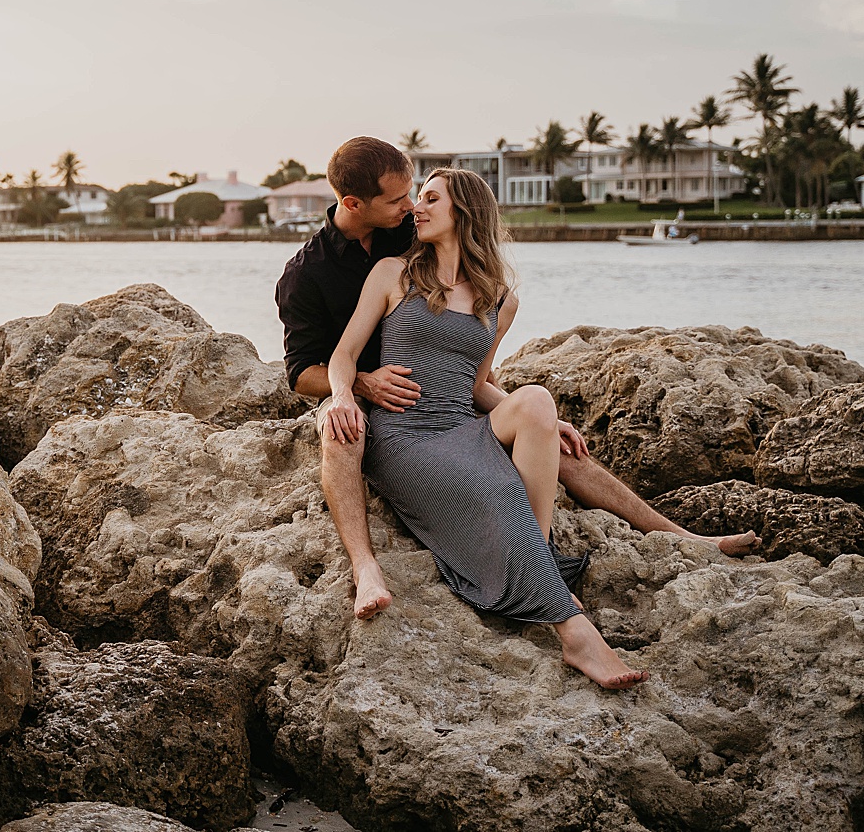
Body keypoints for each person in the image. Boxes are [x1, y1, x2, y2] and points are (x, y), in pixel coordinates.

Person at [275, 136, 757, 622]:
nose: (411, 207)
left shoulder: (412, 231)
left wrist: (542, 421)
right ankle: (365, 568)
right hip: (359, 393)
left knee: (557, 441)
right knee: (340, 429)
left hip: (442, 395)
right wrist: (358, 386)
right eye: (400, 199)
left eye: (417, 195)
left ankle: (681, 537)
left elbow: (468, 350)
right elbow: (302, 373)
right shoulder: (308, 274)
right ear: (354, 203)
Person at [324, 167, 647, 689]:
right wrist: (344, 393)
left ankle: (538, 567)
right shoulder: (393, 273)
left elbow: (477, 385)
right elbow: (342, 357)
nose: (417, 208)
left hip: (462, 426)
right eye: (418, 198)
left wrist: (545, 421)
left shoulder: (500, 299)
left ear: (465, 213)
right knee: (494, 488)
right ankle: (575, 633)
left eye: (431, 199)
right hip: (404, 435)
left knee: (538, 399)